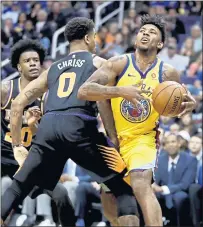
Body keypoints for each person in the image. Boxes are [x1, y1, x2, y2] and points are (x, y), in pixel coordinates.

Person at [1, 18, 139, 226]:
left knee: (16, 188)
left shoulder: (53, 68)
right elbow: (102, 101)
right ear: (87, 38)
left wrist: (18, 145)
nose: (96, 41)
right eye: (94, 37)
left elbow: (19, 103)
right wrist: (112, 137)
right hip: (79, 124)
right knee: (123, 187)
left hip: (49, 128)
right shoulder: (98, 63)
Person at [78, 14, 197, 226]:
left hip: (144, 138)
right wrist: (119, 90)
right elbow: (85, 90)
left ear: (160, 43)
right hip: (114, 139)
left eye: (152, 32)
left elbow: (179, 107)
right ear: (135, 38)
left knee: (141, 183)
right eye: (142, 31)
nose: (145, 34)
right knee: (110, 200)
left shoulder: (168, 73)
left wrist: (189, 106)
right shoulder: (118, 63)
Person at [1, 39, 75, 226]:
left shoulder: (49, 96)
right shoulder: (5, 90)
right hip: (5, 154)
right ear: (19, 67)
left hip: (31, 158)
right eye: (28, 61)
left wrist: (34, 126)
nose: (33, 63)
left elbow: (50, 136)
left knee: (62, 195)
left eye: (36, 60)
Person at [152, 133, 197, 226]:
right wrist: (154, 186)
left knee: (179, 197)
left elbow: (185, 184)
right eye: (167, 142)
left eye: (173, 141)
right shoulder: (160, 159)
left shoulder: (190, 160)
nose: (170, 144)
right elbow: (156, 179)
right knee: (150, 196)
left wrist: (163, 189)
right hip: (161, 191)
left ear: (179, 144)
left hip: (180, 190)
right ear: (164, 146)